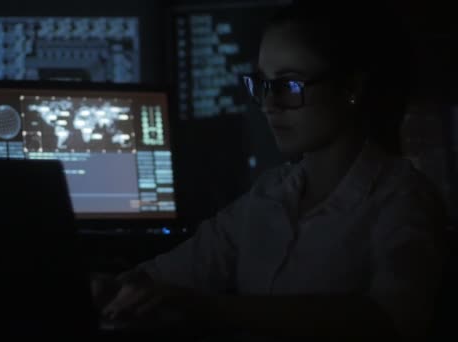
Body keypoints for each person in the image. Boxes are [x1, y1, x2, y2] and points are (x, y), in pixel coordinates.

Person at [93, 0, 448, 339]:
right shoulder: (270, 194)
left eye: (289, 85)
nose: (267, 104)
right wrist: (115, 287)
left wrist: (212, 308)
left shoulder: (402, 198)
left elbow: (391, 320)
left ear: (351, 88)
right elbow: (177, 269)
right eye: (262, 84)